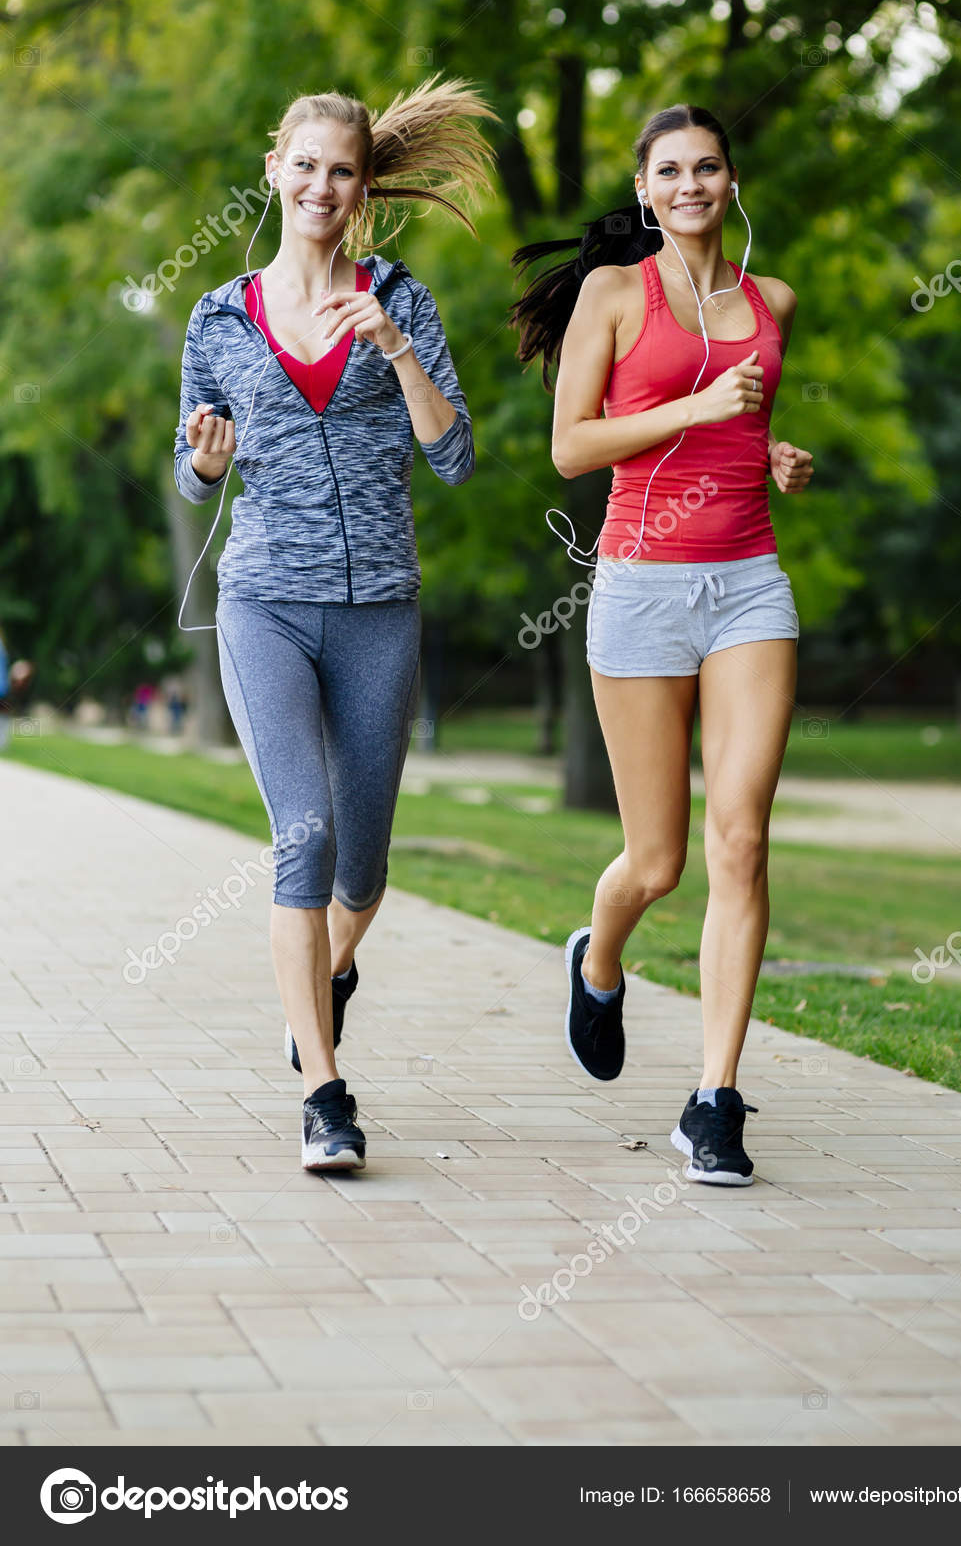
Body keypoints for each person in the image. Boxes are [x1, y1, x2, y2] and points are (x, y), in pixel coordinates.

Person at [174, 79, 496, 1172]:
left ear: (363, 187)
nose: (321, 185)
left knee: (362, 867)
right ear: (275, 169)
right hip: (264, 601)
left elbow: (453, 459)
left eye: (341, 170)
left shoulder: (399, 298)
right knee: (300, 838)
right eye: (303, 164)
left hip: (378, 613)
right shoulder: (218, 315)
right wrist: (206, 459)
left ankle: (329, 967)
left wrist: (398, 349)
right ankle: (324, 1090)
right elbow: (190, 465)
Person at [510, 103, 814, 1187]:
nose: (690, 183)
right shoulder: (609, 294)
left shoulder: (768, 301)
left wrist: (771, 450)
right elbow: (569, 446)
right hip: (639, 591)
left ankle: (714, 1098)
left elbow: (735, 424)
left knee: (740, 841)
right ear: (644, 190)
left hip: (747, 589)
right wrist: (694, 404)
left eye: (709, 166)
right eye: (669, 170)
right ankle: (596, 961)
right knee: (659, 860)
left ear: (733, 182)